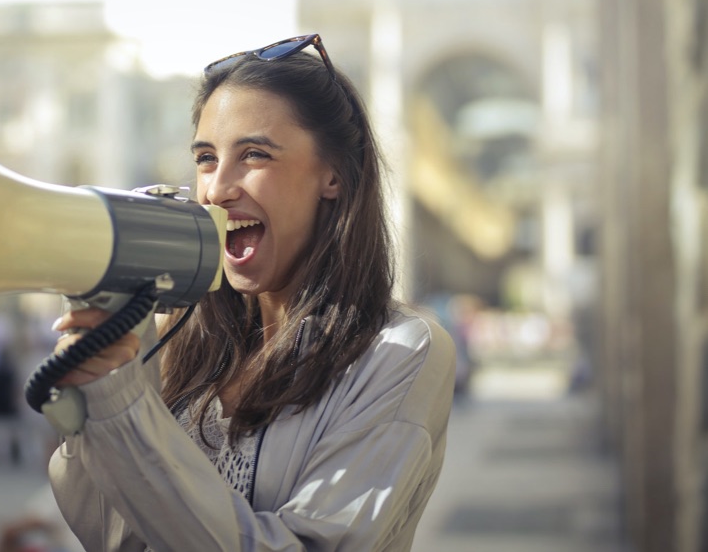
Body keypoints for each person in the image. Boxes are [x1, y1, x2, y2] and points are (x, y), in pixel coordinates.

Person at [45, 34, 457, 550]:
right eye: (205, 159)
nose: (217, 189)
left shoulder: (401, 352)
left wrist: (126, 408)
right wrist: (98, 396)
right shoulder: (172, 333)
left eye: (254, 155)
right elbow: (114, 536)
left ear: (333, 176)